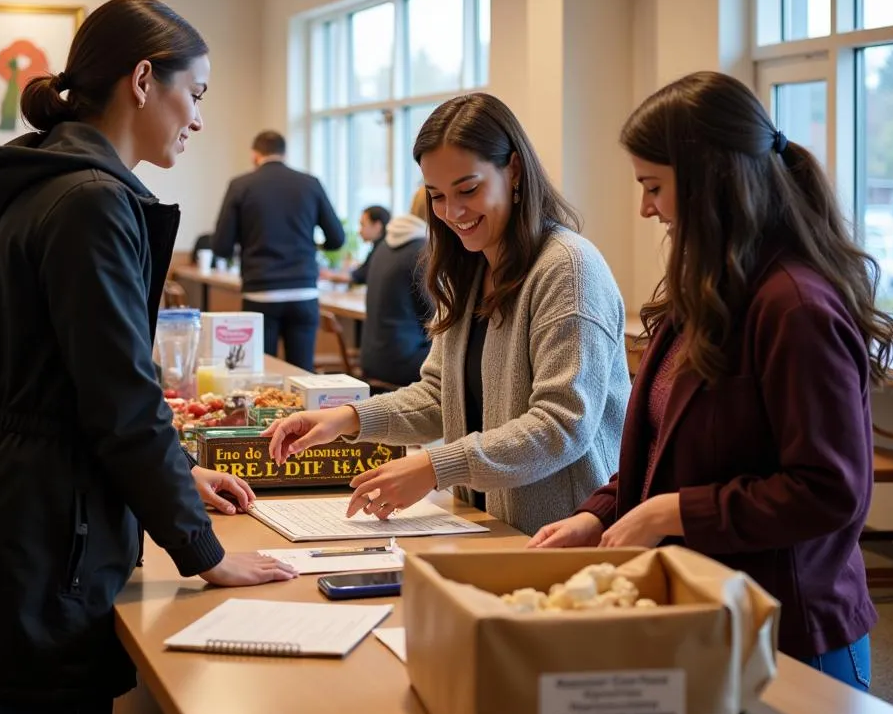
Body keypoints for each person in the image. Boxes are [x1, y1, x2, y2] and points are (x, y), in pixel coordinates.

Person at [0, 0, 295, 714]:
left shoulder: (42, 182)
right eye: (196, 94)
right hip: (38, 533)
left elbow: (75, 383)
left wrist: (177, 473)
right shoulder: (93, 201)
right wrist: (202, 550)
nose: (199, 119)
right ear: (144, 79)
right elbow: (121, 401)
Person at [528, 71, 893, 690]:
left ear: (709, 182)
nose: (646, 208)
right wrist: (602, 513)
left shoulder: (795, 307)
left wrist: (671, 511)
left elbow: (828, 491)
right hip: (708, 611)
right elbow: (667, 448)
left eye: (654, 186)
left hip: (789, 630)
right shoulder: (712, 292)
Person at [264, 93, 630, 537]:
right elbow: (439, 396)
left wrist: (435, 467)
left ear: (513, 170)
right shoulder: (469, 267)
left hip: (560, 538)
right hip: (484, 525)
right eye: (436, 196)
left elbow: (561, 425)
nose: (453, 213)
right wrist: (347, 419)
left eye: (468, 190)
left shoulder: (568, 269)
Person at [212, 130, 345, 371]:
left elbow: (221, 246)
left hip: (260, 293)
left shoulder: (241, 185)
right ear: (285, 154)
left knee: (262, 372)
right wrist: (310, 246)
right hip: (303, 292)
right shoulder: (310, 184)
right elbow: (337, 238)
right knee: (302, 374)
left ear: (255, 155)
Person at [359, 190, 431, 388]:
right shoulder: (421, 250)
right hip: (401, 362)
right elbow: (436, 316)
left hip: (372, 358)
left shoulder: (385, 245)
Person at [321, 205, 390, 285]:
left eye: (363, 225)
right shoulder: (380, 247)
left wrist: (330, 275)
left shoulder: (382, 251)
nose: (359, 231)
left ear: (377, 226)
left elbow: (359, 276)